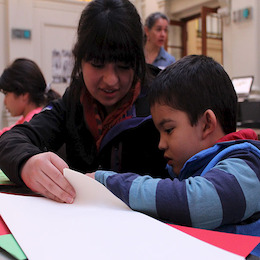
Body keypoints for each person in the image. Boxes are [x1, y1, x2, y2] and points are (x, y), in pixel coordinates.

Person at [88, 55, 260, 257]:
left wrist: (107, 181)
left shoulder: (247, 166)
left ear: (206, 124)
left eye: (168, 130)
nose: (160, 144)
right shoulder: (191, 170)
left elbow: (195, 203)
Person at [0, 0, 168, 203]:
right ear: (79, 59)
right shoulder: (74, 100)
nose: (110, 80)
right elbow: (11, 140)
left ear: (138, 62)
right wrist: (26, 162)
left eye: (124, 66)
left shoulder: (164, 100)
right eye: (97, 64)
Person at [0, 58, 60, 136]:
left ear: (24, 94)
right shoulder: (33, 118)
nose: (4, 101)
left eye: (6, 94)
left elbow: (9, 136)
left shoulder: (34, 123)